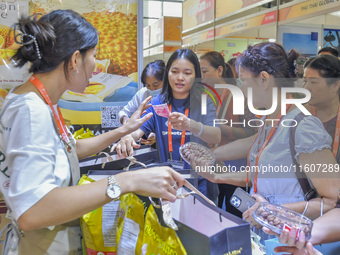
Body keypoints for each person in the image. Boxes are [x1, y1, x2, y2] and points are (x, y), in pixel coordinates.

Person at [0, 10, 185, 254]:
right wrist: (128, 181)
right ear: (76, 60)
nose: (96, 66)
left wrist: (122, 130)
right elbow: (33, 211)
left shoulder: (42, 102)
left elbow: (67, 150)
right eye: (94, 56)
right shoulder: (30, 110)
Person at [194, 42, 340, 242]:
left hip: (292, 241)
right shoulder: (271, 119)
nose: (242, 89)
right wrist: (217, 173)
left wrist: (272, 211)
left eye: (244, 81)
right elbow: (265, 172)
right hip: (268, 234)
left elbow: (332, 201)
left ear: (263, 79)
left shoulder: (304, 127)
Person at [113, 48, 221, 202]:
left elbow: (216, 135)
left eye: (187, 73)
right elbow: (138, 130)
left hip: (200, 184)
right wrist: (127, 137)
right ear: (167, 74)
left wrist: (191, 125)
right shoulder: (157, 102)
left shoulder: (204, 101)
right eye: (175, 71)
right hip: (167, 183)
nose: (180, 78)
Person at [199, 51, 256, 216]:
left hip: (235, 166)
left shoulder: (236, 96)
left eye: (205, 71)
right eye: (199, 72)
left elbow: (250, 132)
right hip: (212, 162)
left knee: (235, 212)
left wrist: (221, 128)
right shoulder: (203, 96)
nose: (201, 76)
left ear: (219, 70)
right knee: (214, 211)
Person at [303, 54, 340, 163]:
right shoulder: (298, 117)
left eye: (314, 82)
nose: (306, 88)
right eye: (305, 81)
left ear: (335, 85)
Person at [118, 59, 165, 145]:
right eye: (148, 85)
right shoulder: (142, 94)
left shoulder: (171, 97)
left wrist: (157, 135)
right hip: (144, 140)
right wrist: (126, 120)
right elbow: (123, 112)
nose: (152, 89)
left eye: (156, 85)